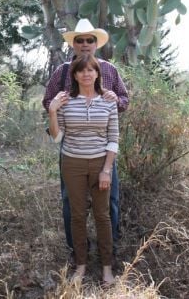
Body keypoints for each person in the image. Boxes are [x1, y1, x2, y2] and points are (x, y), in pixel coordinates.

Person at [42, 18, 129, 265]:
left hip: (103, 150)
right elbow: (48, 101)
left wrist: (114, 100)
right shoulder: (62, 72)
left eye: (89, 40)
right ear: (74, 44)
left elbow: (124, 100)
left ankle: (109, 251)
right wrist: (56, 108)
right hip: (72, 150)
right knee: (71, 202)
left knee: (109, 202)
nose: (84, 44)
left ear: (96, 43)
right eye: (79, 40)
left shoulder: (109, 70)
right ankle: (76, 250)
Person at [48, 54, 119, 284]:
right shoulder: (66, 101)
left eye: (90, 70)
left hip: (100, 163)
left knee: (103, 215)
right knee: (77, 216)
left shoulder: (109, 101)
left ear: (98, 73)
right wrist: (52, 111)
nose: (86, 74)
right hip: (72, 163)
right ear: (75, 75)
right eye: (81, 70)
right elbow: (57, 138)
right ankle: (80, 266)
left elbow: (113, 138)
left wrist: (107, 170)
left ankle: (107, 267)